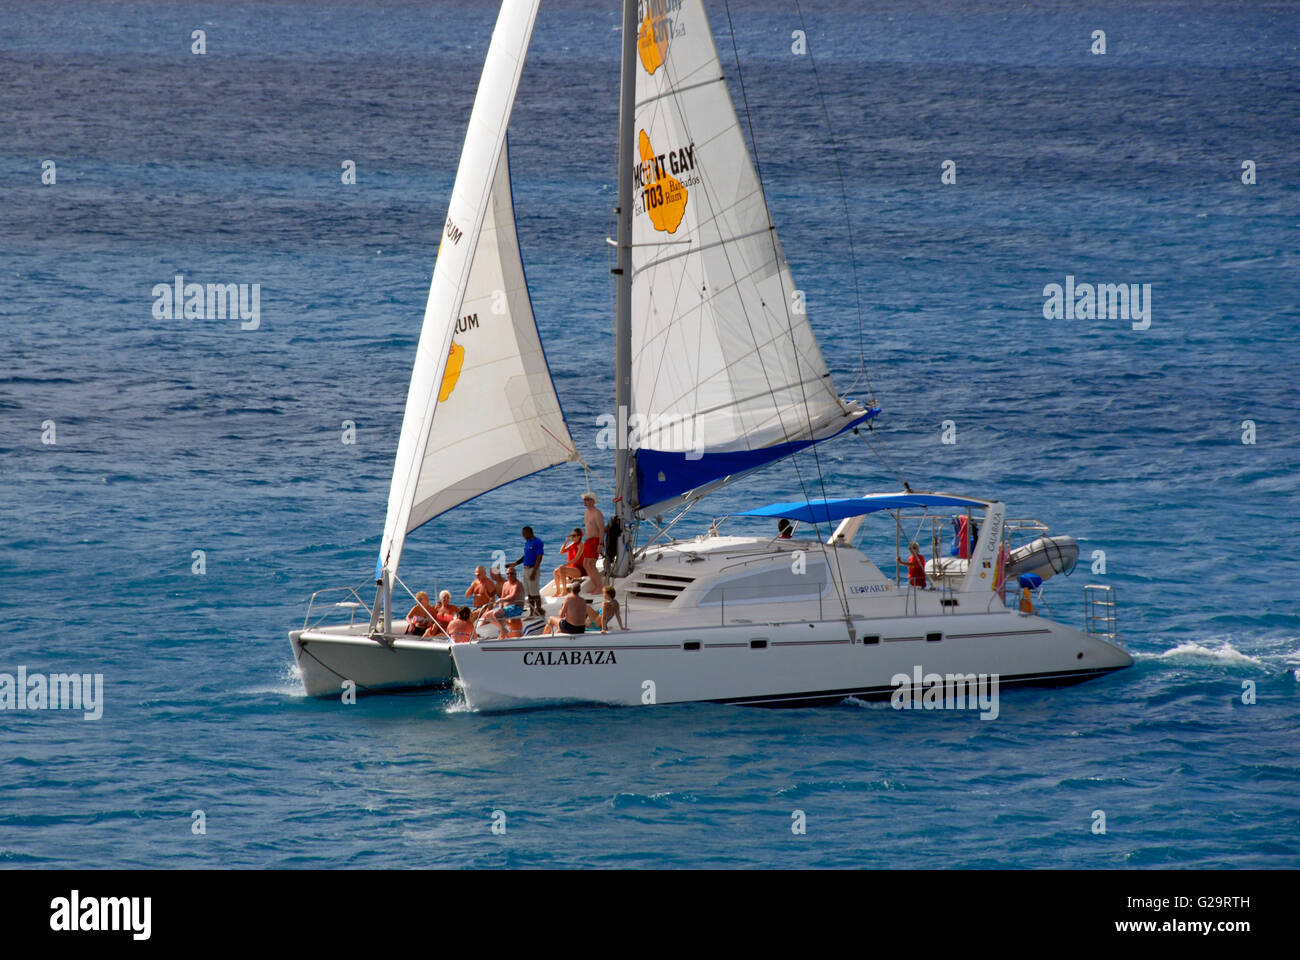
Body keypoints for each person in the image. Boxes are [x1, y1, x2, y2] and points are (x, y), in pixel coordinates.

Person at [480, 566, 526, 630]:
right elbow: (502, 596)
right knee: (486, 615)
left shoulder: (517, 584)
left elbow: (512, 597)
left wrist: (500, 600)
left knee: (496, 614)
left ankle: (503, 630)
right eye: (507, 574)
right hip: (505, 608)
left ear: (515, 574)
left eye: (511, 573)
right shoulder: (505, 584)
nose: (509, 575)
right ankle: (480, 632)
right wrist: (500, 607)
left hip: (516, 608)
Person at [513, 526, 545, 617]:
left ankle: (539, 611)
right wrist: (516, 563)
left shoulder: (537, 542)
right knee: (529, 593)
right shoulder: (527, 542)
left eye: (524, 533)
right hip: (525, 568)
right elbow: (526, 555)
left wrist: (534, 571)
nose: (523, 535)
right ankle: (531, 612)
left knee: (534, 592)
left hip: (532, 568)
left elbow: (539, 557)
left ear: (529, 532)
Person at [580, 493, 605, 592]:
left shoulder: (597, 513)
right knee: (586, 564)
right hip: (588, 540)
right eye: (584, 499)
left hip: (595, 540)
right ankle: (596, 585)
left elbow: (601, 530)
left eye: (587, 499)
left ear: (592, 501)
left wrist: (600, 544)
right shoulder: (587, 512)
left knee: (591, 564)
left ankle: (599, 586)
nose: (585, 501)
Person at [551, 527, 585, 594]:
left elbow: (576, 559)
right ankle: (558, 591)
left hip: (579, 569)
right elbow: (561, 551)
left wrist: (565, 565)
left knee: (562, 569)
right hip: (572, 569)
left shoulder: (581, 545)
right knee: (556, 572)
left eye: (574, 536)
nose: (572, 537)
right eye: (571, 535)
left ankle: (564, 591)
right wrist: (566, 541)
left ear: (579, 536)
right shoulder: (572, 544)